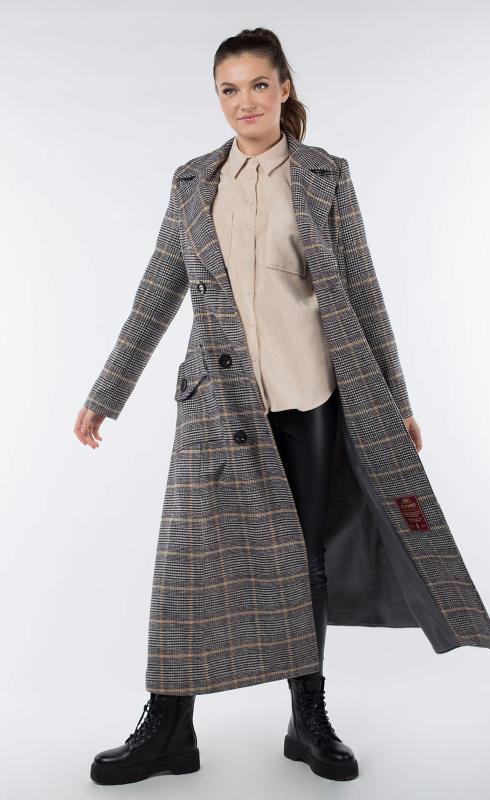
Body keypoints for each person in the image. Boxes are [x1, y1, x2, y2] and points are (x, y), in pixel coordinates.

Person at [76, 27, 424, 785]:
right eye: (228, 90)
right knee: (187, 562)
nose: (244, 102)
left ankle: (308, 720)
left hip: (308, 396)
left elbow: (363, 291)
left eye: (258, 85)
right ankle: (168, 728)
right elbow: (156, 292)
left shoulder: (325, 176)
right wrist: (107, 392)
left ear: (283, 88)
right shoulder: (192, 183)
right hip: (214, 403)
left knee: (305, 560)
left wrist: (395, 401)